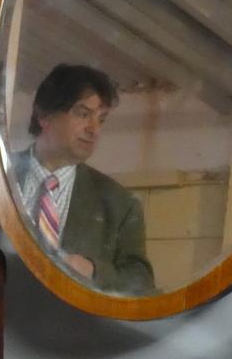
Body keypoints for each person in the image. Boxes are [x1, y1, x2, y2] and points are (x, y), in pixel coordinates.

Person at [13, 64, 155, 295]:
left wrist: (93, 271)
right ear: (44, 115)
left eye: (101, 119)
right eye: (83, 113)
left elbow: (141, 283)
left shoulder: (119, 205)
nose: (94, 129)